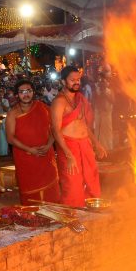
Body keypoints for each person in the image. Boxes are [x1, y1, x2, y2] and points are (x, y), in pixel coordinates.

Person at [50, 66, 107, 207]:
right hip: (69, 148)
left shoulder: (80, 99)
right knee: (72, 185)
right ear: (63, 81)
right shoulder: (59, 102)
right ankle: (73, 219)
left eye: (78, 79)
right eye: (72, 80)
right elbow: (56, 131)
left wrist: (96, 144)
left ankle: (91, 218)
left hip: (85, 145)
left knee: (91, 181)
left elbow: (85, 126)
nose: (76, 82)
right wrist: (69, 155)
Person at [6, 79, 60, 204]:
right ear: (17, 95)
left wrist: (49, 145)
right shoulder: (12, 114)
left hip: (45, 154)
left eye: (29, 91)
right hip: (25, 156)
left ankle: (53, 216)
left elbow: (54, 128)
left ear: (33, 92)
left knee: (51, 189)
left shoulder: (43, 107)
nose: (26, 94)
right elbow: (10, 138)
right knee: (30, 189)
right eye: (22, 92)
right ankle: (31, 217)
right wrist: (29, 149)